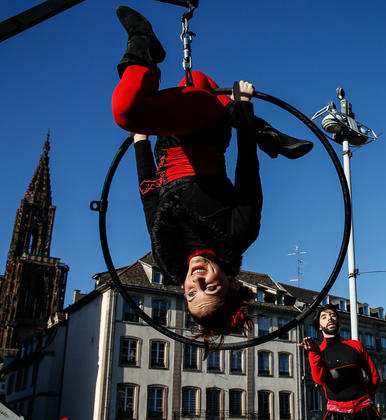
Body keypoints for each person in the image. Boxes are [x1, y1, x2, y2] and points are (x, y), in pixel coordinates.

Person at [112, 6, 310, 341]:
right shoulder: (238, 234)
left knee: (199, 81)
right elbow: (247, 169)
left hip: (167, 145)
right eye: (210, 288)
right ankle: (142, 39)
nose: (197, 281)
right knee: (127, 110)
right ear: (232, 283)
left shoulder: (167, 255)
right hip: (204, 134)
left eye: (190, 293)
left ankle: (263, 131)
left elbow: (149, 196)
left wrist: (141, 146)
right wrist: (245, 110)